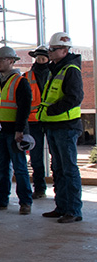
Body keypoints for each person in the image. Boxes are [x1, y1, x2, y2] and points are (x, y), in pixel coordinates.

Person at [39, 32, 84, 224]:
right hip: (54, 125)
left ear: (64, 50)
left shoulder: (70, 69)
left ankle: (73, 210)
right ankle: (62, 207)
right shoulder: (56, 69)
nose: (50, 52)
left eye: (53, 49)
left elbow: (75, 97)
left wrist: (51, 110)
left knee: (68, 169)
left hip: (65, 126)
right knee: (58, 168)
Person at [0, 46, 34, 215]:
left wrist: (20, 130)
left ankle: (25, 202)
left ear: (11, 61)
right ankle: (1, 199)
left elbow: (24, 108)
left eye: (1, 60)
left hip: (14, 132)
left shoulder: (20, 82)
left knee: (20, 167)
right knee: (0, 167)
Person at [24, 46, 51, 199]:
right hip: (33, 121)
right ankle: (39, 188)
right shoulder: (27, 76)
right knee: (36, 157)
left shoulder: (54, 75)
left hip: (50, 120)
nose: (40, 61)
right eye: (38, 58)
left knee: (56, 156)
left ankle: (58, 189)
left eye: (43, 58)